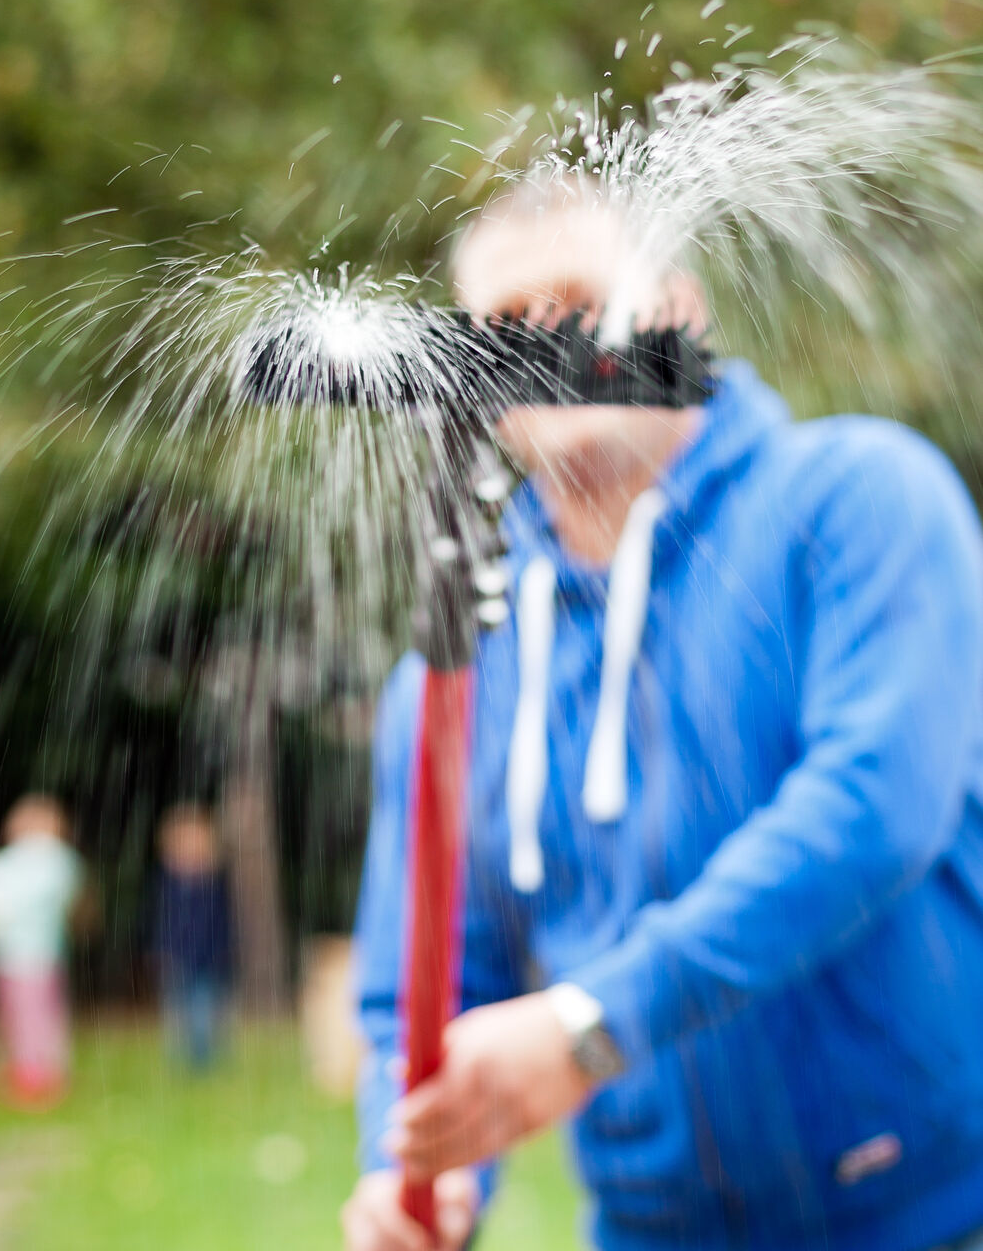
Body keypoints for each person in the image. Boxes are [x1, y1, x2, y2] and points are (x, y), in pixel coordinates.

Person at [343, 195, 983, 1251]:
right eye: (507, 323)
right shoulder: (453, 671)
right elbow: (421, 984)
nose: (547, 339)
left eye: (579, 299)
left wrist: (590, 1025)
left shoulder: (856, 501)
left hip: (938, 1213)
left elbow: (872, 806)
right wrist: (417, 1161)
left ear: (677, 314)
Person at [0, 793, 82, 1108]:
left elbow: (25, 892)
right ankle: (28, 1069)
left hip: (35, 958)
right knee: (17, 1016)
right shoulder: (15, 865)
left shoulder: (53, 865)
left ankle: (38, 1077)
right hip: (8, 958)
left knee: (35, 1016)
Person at [152, 803, 233, 1069]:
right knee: (177, 1011)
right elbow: (162, 922)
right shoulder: (167, 883)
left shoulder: (214, 883)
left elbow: (220, 924)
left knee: (205, 1010)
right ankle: (180, 1058)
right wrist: (161, 949)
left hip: (209, 959)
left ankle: (204, 1060)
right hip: (177, 958)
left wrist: (222, 952)